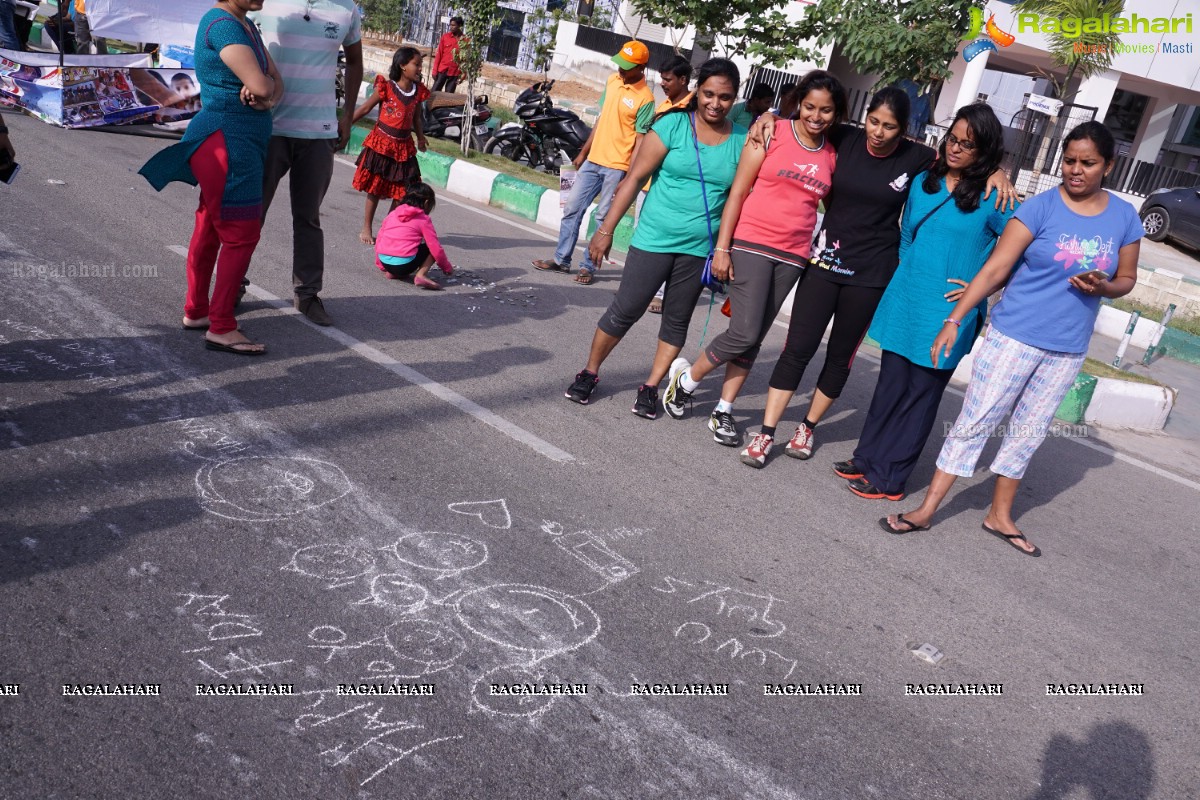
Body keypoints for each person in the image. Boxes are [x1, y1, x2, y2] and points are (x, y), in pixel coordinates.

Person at [882, 121, 1142, 557]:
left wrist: (1105, 287)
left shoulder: (1124, 217)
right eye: (1070, 160)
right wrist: (955, 318)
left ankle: (999, 515)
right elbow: (996, 268)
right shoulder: (1040, 208)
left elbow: (1127, 279)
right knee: (977, 419)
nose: (1076, 170)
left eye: (1088, 163)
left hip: (1067, 346)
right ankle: (927, 509)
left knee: (1028, 431)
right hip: (1014, 335)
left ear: (1109, 166)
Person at [727, 88, 1017, 463]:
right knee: (796, 350)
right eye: (874, 121)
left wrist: (996, 170)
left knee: (840, 356)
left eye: (889, 126)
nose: (878, 132)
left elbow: (965, 159)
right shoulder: (844, 138)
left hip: (871, 275)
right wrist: (770, 118)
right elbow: (806, 125)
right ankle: (767, 433)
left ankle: (807, 427)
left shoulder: (918, 158)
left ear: (904, 129)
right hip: (823, 265)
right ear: (864, 117)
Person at [839, 103, 1014, 499]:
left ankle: (892, 478)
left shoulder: (993, 195)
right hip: (907, 297)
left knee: (920, 394)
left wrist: (980, 287)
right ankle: (867, 459)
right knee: (889, 385)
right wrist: (906, 273)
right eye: (952, 138)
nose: (955, 149)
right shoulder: (925, 181)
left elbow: (1018, 250)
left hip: (949, 310)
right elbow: (906, 235)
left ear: (984, 151)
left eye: (967, 145)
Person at [662, 69, 844, 448]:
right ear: (799, 103)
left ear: (836, 112)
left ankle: (724, 409)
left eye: (826, 110)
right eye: (810, 106)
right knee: (743, 331)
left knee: (755, 336)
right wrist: (723, 248)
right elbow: (739, 192)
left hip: (794, 255)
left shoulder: (831, 152)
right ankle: (687, 380)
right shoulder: (772, 132)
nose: (816, 116)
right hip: (752, 244)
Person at [564, 58, 744, 415]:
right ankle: (590, 371)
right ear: (697, 90)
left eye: (725, 97)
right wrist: (605, 231)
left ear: (735, 98)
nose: (715, 103)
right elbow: (632, 179)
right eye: (708, 93)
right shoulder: (673, 126)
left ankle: (650, 386)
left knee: (676, 320)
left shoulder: (741, 139)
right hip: (654, 240)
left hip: (699, 250)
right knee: (625, 309)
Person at [138, 0, 283, 356]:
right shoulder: (223, 25)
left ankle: (198, 310)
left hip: (236, 140)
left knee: (210, 224)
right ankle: (221, 325)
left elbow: (276, 85)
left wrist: (266, 96)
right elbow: (265, 87)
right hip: (228, 141)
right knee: (240, 232)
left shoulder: (246, 24)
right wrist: (264, 92)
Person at [249, 0, 365, 327]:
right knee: (252, 211)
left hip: (319, 131)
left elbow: (355, 62)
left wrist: (348, 116)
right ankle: (234, 285)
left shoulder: (347, 9)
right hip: (268, 126)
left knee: (308, 217)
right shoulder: (265, 2)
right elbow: (240, 39)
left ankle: (308, 293)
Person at [532, 40, 655, 285]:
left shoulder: (646, 99)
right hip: (593, 161)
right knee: (571, 209)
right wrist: (583, 153)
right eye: (620, 63)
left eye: (627, 66)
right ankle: (561, 259)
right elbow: (601, 120)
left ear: (641, 68)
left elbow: (640, 141)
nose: (621, 69)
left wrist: (630, 176)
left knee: (602, 219)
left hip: (617, 168)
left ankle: (588, 266)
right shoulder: (612, 81)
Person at [351, 46, 428, 245]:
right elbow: (366, 107)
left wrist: (420, 138)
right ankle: (366, 227)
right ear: (403, 66)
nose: (420, 68)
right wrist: (344, 124)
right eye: (416, 64)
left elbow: (417, 119)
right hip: (382, 144)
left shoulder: (418, 92)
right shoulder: (386, 87)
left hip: (404, 147)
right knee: (375, 188)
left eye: (420, 65)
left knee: (403, 191)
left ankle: (388, 226)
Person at [641, 54, 693, 315]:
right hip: (649, 181)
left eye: (667, 79)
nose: (663, 83)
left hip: (670, 186)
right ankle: (643, 288)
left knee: (665, 241)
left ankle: (660, 294)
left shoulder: (691, 108)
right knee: (646, 237)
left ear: (683, 80)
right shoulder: (665, 105)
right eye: (661, 78)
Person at [374, 182, 454, 289]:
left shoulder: (393, 214)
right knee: (430, 249)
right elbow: (436, 249)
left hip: (384, 262)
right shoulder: (423, 219)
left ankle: (394, 273)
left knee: (401, 244)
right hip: (403, 266)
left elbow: (380, 238)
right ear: (426, 203)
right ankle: (421, 274)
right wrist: (447, 268)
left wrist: (381, 264)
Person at [430, 16, 464, 93]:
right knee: (434, 92)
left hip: (455, 72)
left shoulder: (464, 40)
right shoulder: (445, 37)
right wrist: (435, 71)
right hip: (442, 70)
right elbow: (439, 54)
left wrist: (462, 75)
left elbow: (465, 60)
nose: (451, 27)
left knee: (448, 96)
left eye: (453, 25)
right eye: (450, 25)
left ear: (459, 26)